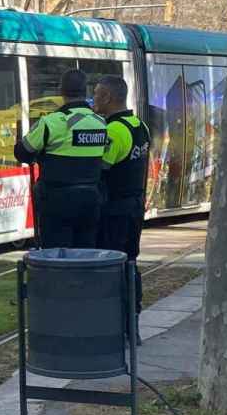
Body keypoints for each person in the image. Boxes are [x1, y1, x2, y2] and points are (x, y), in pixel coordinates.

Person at [14, 69, 107, 249]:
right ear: (85, 91)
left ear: (61, 91)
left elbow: (22, 152)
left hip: (57, 202)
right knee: (86, 253)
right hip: (90, 200)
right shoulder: (100, 123)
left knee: (56, 255)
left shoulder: (52, 122)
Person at [93, 75, 150, 313]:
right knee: (130, 261)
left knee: (112, 263)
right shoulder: (139, 126)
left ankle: (115, 317)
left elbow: (100, 169)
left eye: (96, 93)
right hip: (135, 206)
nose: (93, 98)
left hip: (115, 209)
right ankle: (133, 315)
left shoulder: (114, 130)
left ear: (107, 97)